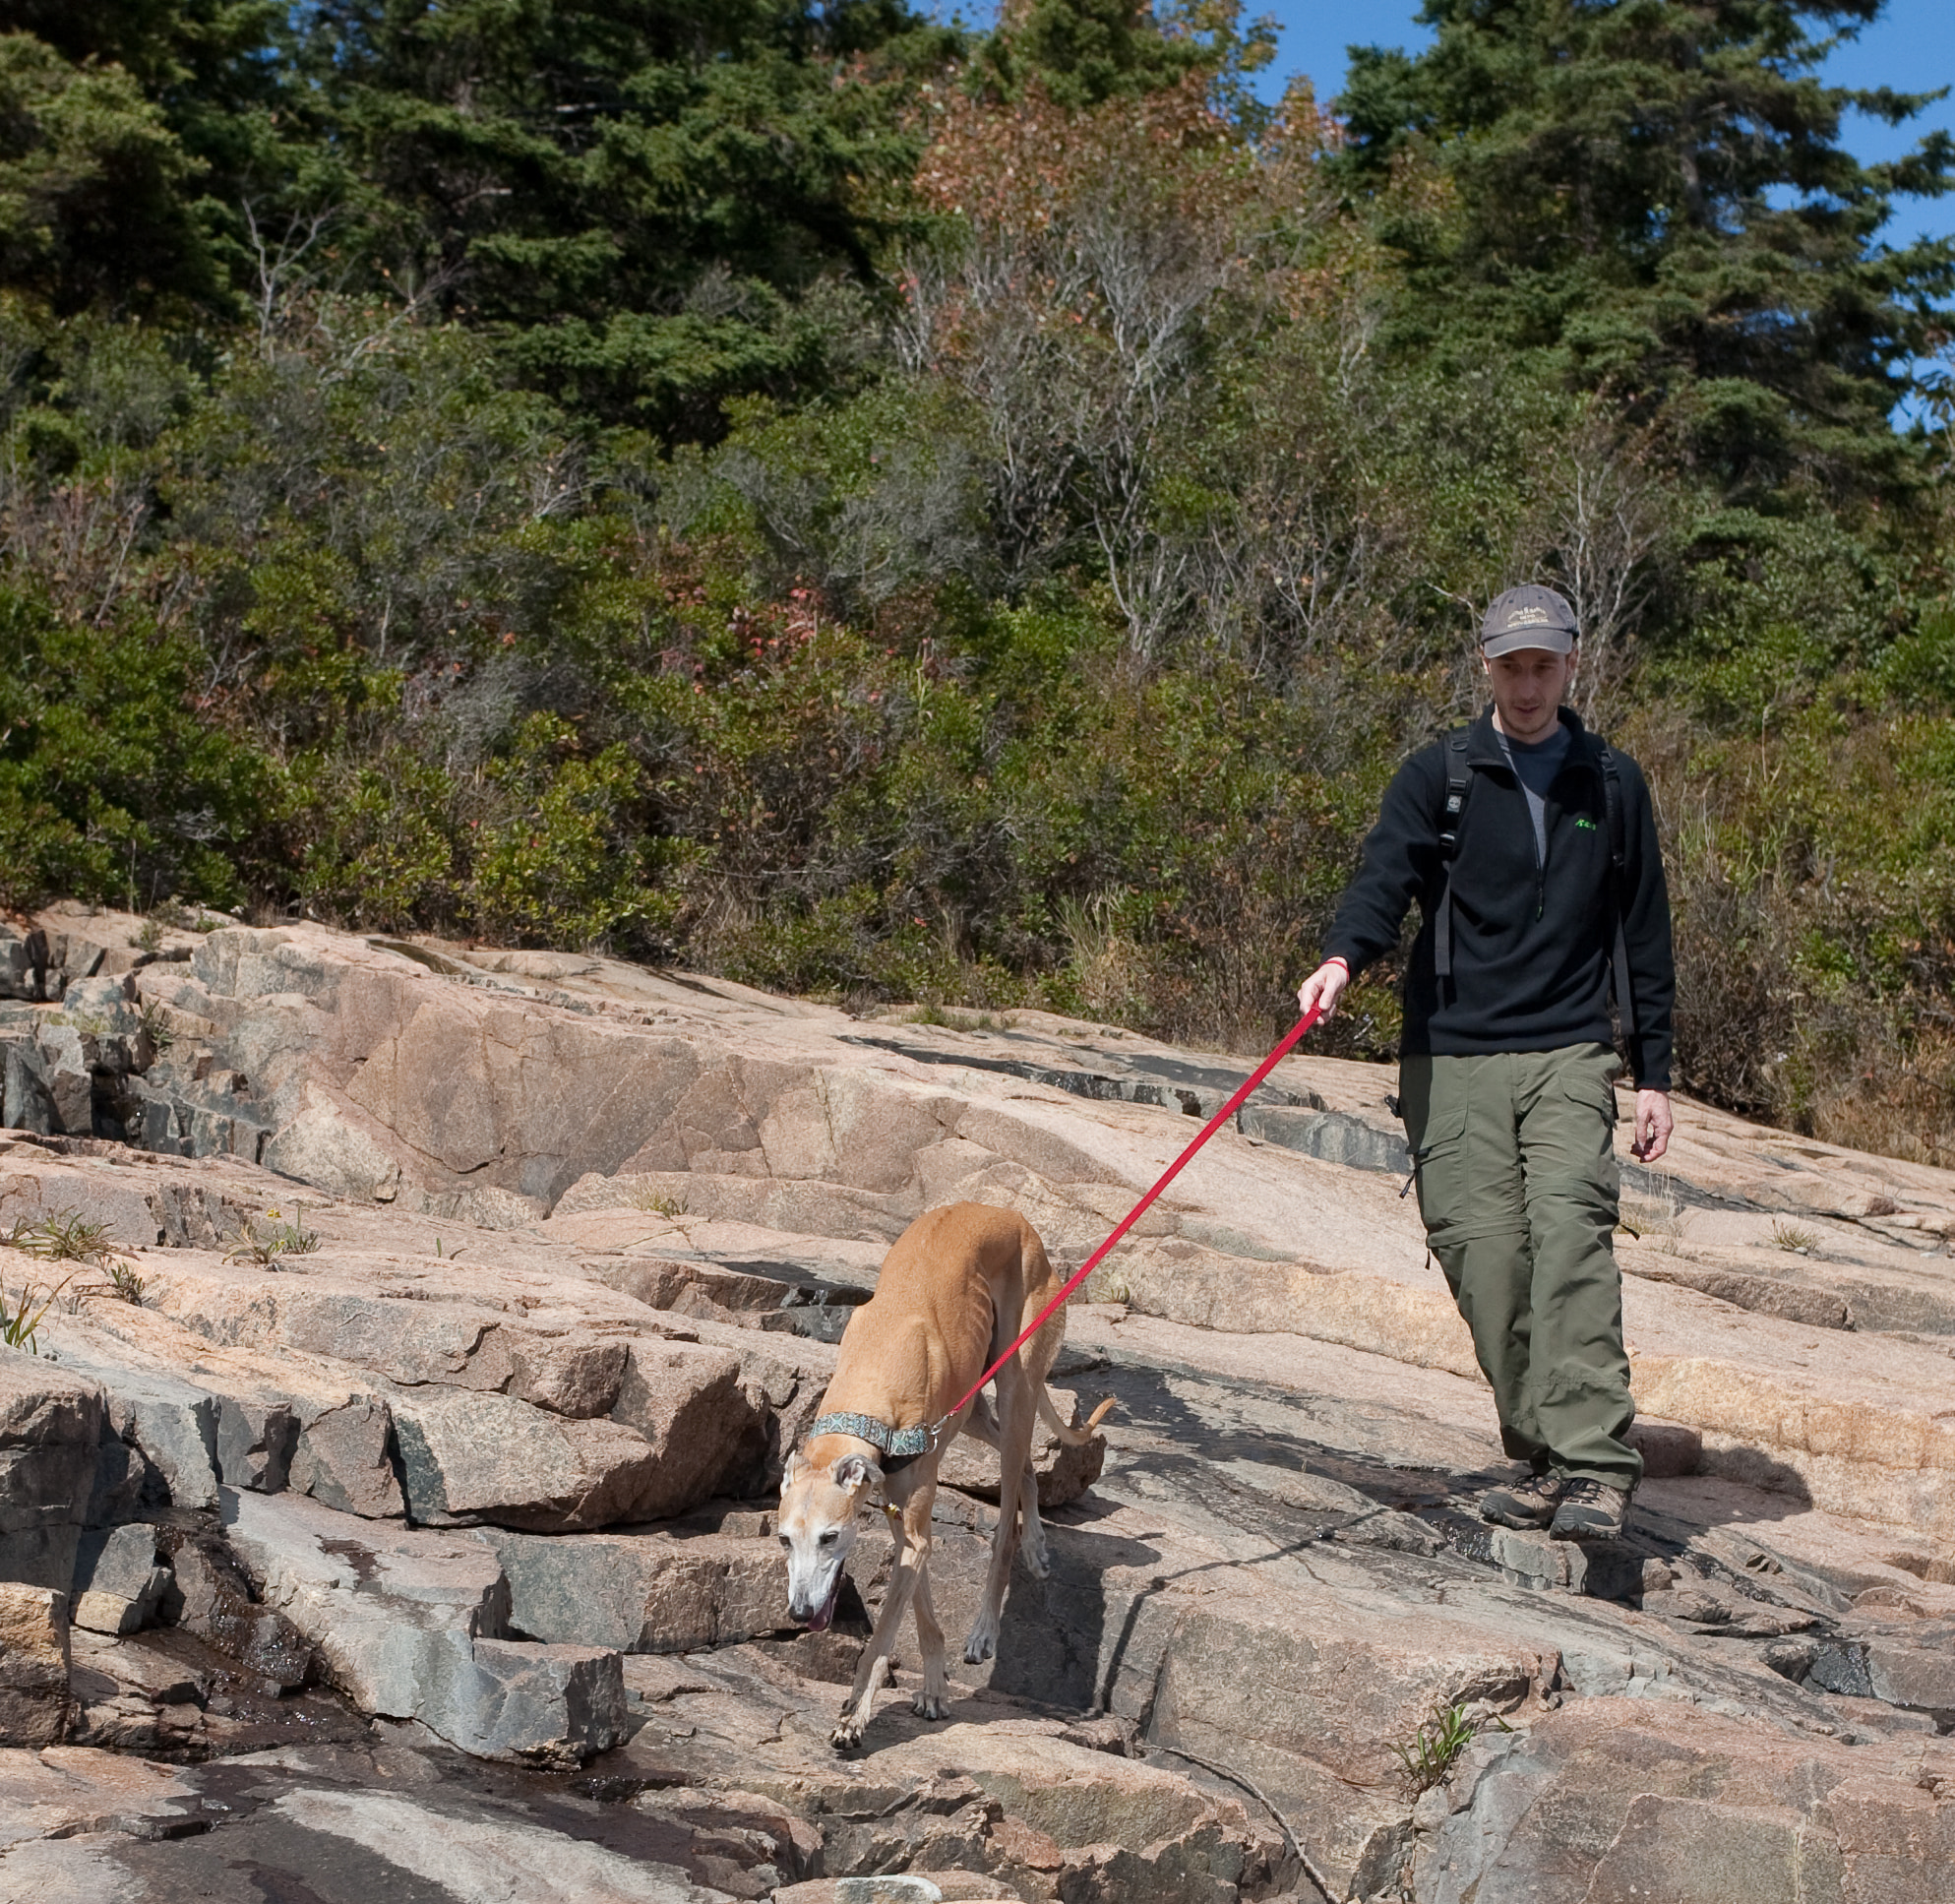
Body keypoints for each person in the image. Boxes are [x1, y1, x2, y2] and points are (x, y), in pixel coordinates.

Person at [1296, 584, 1676, 1540]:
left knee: (1569, 1238)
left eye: (1544, 665)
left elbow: (1644, 934)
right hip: (1452, 1054)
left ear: (1570, 666)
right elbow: (1384, 876)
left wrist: (1656, 1074)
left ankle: (1593, 1467)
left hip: (1568, 1050)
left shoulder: (1612, 783)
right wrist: (1343, 957)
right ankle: (1543, 1454)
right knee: (1488, 1261)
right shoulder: (1441, 775)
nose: (1529, 683)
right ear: (1487, 667)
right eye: (1513, 666)